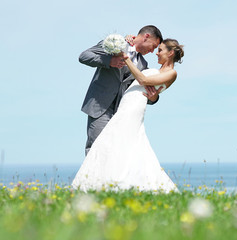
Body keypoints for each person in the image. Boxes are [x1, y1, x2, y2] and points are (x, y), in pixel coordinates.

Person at [71, 39, 184, 192]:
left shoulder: (171, 73)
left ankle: (102, 185)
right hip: (122, 104)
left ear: (170, 53)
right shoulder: (150, 66)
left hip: (132, 109)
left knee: (113, 141)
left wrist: (126, 59)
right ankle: (102, 183)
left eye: (160, 50)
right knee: (113, 143)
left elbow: (143, 80)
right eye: (156, 48)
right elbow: (84, 56)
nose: (156, 52)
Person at [79, 25, 164, 155]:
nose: (153, 51)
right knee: (96, 148)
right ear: (146, 37)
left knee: (114, 151)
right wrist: (109, 61)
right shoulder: (116, 43)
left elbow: (141, 88)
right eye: (153, 46)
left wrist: (154, 99)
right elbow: (84, 56)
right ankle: (91, 176)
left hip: (120, 112)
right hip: (100, 105)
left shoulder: (143, 64)